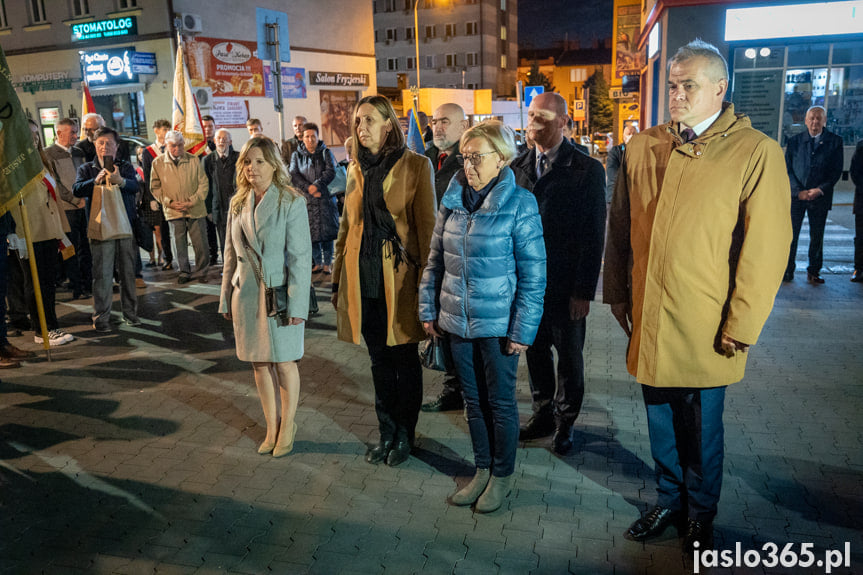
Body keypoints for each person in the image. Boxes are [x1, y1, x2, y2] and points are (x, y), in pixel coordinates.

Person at [604, 39, 791, 552]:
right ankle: (669, 499)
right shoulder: (644, 146)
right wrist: (617, 293)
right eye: (673, 85)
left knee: (702, 425)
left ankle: (701, 512)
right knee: (659, 414)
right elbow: (619, 227)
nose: (678, 94)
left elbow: (767, 247)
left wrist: (743, 323)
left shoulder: (754, 152)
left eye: (689, 85)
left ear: (719, 89)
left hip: (708, 320)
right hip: (650, 313)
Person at [419, 120, 546, 512]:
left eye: (477, 157)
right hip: (456, 320)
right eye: (465, 157)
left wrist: (523, 330)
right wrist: (428, 308)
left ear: (501, 159)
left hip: (498, 327)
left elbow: (534, 275)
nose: (468, 165)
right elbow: (435, 259)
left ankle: (502, 476)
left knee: (501, 403)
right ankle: (482, 469)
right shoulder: (453, 198)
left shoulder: (521, 203)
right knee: (473, 402)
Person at [331, 95, 436, 468]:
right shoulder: (356, 167)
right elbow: (347, 226)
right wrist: (336, 278)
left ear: (389, 124)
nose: (361, 128)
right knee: (378, 361)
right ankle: (386, 431)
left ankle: (406, 434)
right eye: (358, 121)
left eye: (369, 120)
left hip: (401, 280)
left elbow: (427, 232)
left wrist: (429, 290)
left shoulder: (416, 166)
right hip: (364, 278)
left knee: (404, 360)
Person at [511, 92, 607, 455]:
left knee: (569, 358)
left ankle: (566, 422)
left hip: (566, 285)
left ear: (564, 122)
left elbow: (594, 233)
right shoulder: (517, 167)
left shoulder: (586, 169)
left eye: (543, 117)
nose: (533, 122)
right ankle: (542, 413)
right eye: (531, 115)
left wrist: (583, 291)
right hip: (527, 285)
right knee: (534, 352)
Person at [219, 137, 312, 458]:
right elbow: (229, 255)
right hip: (245, 294)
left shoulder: (291, 201)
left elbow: (300, 257)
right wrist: (224, 297)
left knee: (285, 363)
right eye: (247, 162)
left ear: (274, 164)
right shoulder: (237, 202)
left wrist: (299, 305)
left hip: (280, 295)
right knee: (259, 364)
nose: (251, 168)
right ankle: (271, 426)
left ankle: (288, 426)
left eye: (259, 162)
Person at [420, 103, 470, 413]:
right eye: (435, 121)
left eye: (446, 121)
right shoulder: (424, 159)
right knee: (441, 328)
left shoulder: (469, 162)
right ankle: (453, 391)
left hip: (458, 260)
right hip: (430, 258)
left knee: (459, 332)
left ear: (464, 127)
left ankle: (469, 396)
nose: (438, 127)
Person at [12, 120, 74, 346]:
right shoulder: (13, 165)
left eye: (37, 134)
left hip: (49, 229)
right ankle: (41, 331)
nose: (35, 139)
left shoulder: (41, 161)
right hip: (28, 231)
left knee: (48, 283)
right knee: (34, 283)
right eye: (29, 134)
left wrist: (61, 229)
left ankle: (53, 326)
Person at [73, 126, 142, 332]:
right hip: (100, 229)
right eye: (100, 143)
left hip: (125, 228)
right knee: (101, 275)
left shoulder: (125, 167)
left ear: (117, 146)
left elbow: (135, 187)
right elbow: (77, 189)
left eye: (109, 143)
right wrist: (94, 181)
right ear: (95, 145)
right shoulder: (86, 169)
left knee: (128, 274)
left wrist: (120, 180)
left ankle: (131, 314)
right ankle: (101, 318)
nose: (105, 147)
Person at [783, 105, 843, 284]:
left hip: (820, 197)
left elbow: (836, 170)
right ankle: (787, 270)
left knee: (817, 236)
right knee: (790, 235)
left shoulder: (835, 141)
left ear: (824, 121)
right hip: (797, 197)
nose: (815, 122)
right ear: (805, 121)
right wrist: (797, 191)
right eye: (812, 118)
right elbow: (788, 170)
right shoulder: (794, 141)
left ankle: (814, 271)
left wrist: (820, 189)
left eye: (819, 118)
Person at [149, 131, 211, 284]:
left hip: (195, 209)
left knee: (201, 243)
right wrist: (169, 202)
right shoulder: (157, 163)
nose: (177, 148)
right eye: (173, 145)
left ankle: (202, 271)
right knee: (179, 244)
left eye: (180, 145)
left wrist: (192, 201)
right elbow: (155, 187)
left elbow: (204, 184)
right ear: (166, 145)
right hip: (174, 210)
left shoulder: (194, 160)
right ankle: (184, 271)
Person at [44, 118, 91, 300]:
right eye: (72, 132)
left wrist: (84, 197)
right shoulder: (48, 155)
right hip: (66, 209)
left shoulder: (79, 152)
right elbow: (53, 182)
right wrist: (73, 199)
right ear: (59, 133)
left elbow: (86, 176)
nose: (76, 135)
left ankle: (88, 284)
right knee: (70, 248)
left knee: (86, 248)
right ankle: (76, 286)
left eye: (76, 131)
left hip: (84, 207)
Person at [289, 122, 339, 275]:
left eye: (313, 136)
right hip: (307, 200)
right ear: (302, 138)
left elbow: (331, 171)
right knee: (311, 233)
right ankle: (317, 262)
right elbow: (293, 174)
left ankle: (327, 263)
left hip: (324, 198)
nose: (310, 139)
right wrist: (308, 188)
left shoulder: (326, 152)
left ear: (318, 137)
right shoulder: (296, 155)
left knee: (326, 232)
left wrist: (317, 186)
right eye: (307, 136)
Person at [141, 119, 174, 270]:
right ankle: (167, 258)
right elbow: (147, 176)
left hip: (173, 192)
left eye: (168, 128)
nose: (167, 131)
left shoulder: (172, 148)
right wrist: (152, 198)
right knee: (163, 228)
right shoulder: (149, 151)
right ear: (156, 130)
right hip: (158, 195)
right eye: (164, 129)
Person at [205, 128, 240, 259]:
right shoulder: (208, 160)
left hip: (237, 207)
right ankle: (227, 270)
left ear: (230, 142)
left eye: (225, 139)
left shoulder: (239, 157)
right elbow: (206, 187)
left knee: (239, 241)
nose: (221, 141)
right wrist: (209, 209)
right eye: (219, 138)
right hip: (218, 208)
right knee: (224, 242)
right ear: (214, 141)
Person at [200, 114, 220, 264]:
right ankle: (213, 255)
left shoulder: (219, 143)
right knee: (208, 228)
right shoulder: (197, 148)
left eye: (210, 126)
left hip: (220, 190)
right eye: (204, 126)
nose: (207, 129)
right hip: (205, 192)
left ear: (214, 127)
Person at [605, 125, 638, 203]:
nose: (631, 136)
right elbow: (612, 173)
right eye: (629, 133)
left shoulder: (642, 152)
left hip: (635, 199)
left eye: (634, 133)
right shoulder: (615, 152)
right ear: (623, 137)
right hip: (616, 198)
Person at [849, 139, 863, 282]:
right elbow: (855, 172)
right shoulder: (861, 146)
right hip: (862, 201)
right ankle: (859, 269)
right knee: (860, 238)